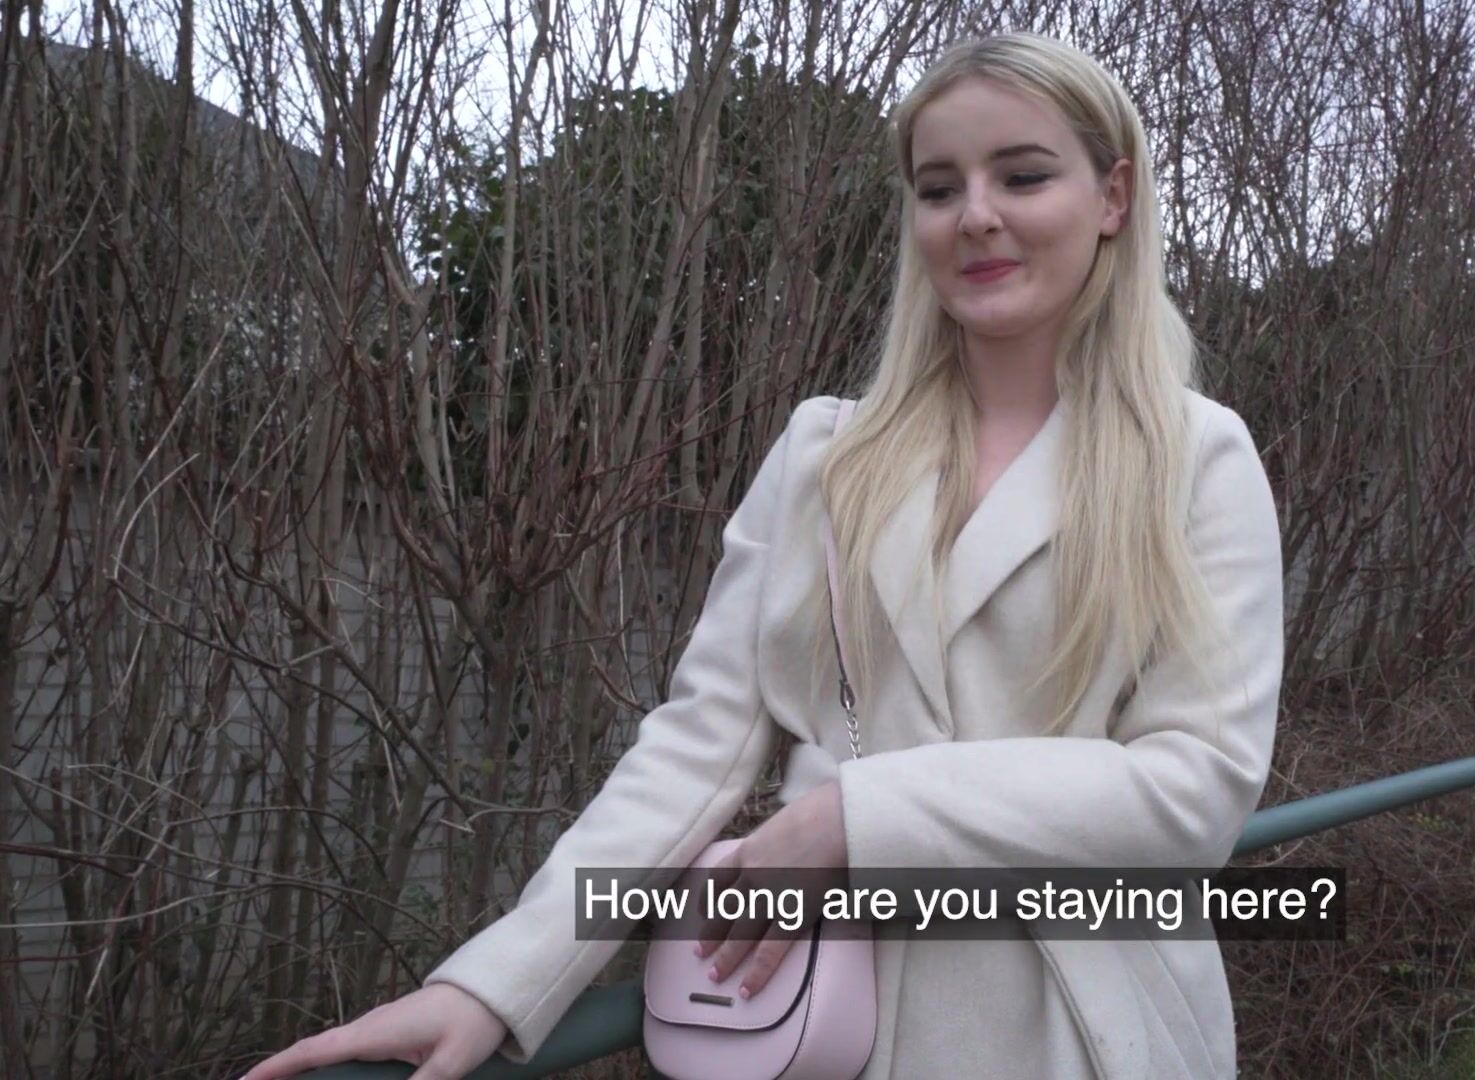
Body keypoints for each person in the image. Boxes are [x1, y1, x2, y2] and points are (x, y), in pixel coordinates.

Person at [242, 29, 1285, 1080]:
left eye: (1022, 176)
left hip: (1093, 1033)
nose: (975, 215)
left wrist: (853, 820)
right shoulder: (830, 455)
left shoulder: (1196, 459)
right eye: (938, 188)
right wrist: (498, 981)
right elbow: (696, 746)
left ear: (1112, 197)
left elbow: (1196, 787)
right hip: (832, 1026)